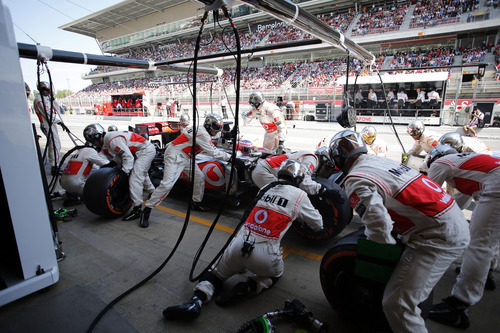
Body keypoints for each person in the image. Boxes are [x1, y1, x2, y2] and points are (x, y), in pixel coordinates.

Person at [328, 130, 469, 333]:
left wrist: (375, 270)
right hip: (451, 217)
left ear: (338, 157)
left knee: (398, 304)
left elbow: (379, 228)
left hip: (438, 236)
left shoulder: (356, 178)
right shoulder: (381, 162)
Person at [162, 160, 323, 320]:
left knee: (215, 274)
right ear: (298, 179)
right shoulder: (300, 195)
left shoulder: (265, 189)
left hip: (238, 246)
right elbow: (318, 224)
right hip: (265, 255)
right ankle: (250, 286)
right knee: (275, 274)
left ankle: (196, 301)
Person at [426, 146, 500, 329]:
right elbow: (456, 206)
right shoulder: (465, 165)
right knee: (490, 238)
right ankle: (486, 272)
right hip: (496, 179)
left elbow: (425, 197)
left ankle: (458, 305)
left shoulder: (440, 163)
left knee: (478, 244)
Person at [139, 114, 231, 228]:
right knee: (167, 185)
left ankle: (196, 202)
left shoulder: (201, 129)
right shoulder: (203, 134)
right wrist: (230, 157)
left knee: (199, 177)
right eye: (217, 127)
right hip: (175, 156)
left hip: (185, 156)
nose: (218, 130)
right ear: (209, 126)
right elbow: (213, 152)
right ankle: (147, 209)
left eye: (219, 127)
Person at [83, 123, 156, 222]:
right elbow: (119, 156)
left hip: (145, 150)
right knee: (140, 173)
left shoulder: (112, 141)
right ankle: (152, 191)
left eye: (94, 141)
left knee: (135, 178)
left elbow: (128, 157)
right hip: (138, 150)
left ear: (98, 136)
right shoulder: (107, 141)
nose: (95, 144)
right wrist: (112, 164)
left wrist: (124, 173)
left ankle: (137, 208)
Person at [33, 81, 69, 175]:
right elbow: (48, 114)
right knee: (55, 144)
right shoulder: (39, 100)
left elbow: (56, 110)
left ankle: (54, 164)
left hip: (50, 124)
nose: (49, 93)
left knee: (53, 145)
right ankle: (54, 166)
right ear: (43, 90)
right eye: (48, 91)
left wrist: (53, 100)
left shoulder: (46, 98)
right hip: (47, 124)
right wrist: (60, 122)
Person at [251, 150, 322, 195]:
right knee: (286, 197)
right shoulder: (312, 159)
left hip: (263, 169)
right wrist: (322, 189)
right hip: (264, 171)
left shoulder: (306, 153)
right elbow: (304, 182)